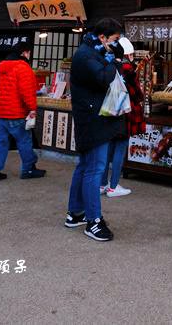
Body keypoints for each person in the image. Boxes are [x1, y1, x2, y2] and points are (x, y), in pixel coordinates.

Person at [65, 18, 123, 242]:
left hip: (91, 116)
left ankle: (75, 212)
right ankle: (93, 221)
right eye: (115, 40)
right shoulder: (86, 55)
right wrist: (116, 61)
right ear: (103, 38)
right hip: (92, 119)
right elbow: (103, 79)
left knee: (85, 166)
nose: (116, 44)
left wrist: (112, 59)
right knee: (95, 169)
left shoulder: (93, 52)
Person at [0, 41, 45, 182]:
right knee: (24, 141)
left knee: (1, 141)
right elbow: (27, 91)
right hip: (16, 112)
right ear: (24, 53)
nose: (29, 55)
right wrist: (32, 109)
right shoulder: (23, 67)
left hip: (2, 111)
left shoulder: (4, 66)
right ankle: (29, 168)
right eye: (28, 52)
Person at [101, 38, 146, 198]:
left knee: (108, 149)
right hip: (125, 112)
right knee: (120, 148)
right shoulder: (128, 69)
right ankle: (113, 186)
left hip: (110, 110)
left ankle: (102, 184)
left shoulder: (108, 65)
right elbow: (136, 94)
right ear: (128, 53)